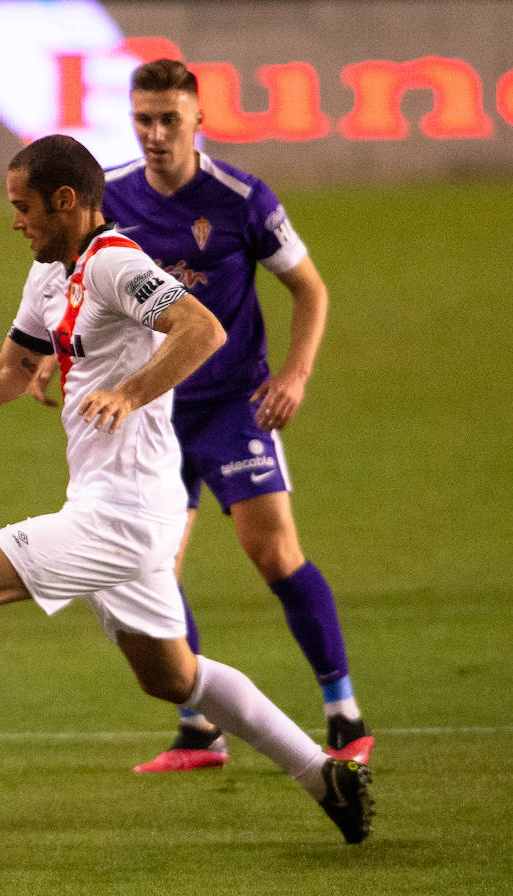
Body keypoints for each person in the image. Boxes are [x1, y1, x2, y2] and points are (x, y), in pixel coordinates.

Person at [0, 133, 373, 844]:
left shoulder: (114, 262)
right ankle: (325, 774)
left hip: (127, 511)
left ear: (65, 201)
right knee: (173, 678)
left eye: (24, 207)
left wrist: (130, 393)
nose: (16, 220)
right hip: (112, 506)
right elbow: (10, 371)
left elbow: (201, 329)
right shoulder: (51, 272)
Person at [94, 58, 371, 771]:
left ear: (198, 121)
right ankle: (199, 729)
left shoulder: (242, 199)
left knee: (273, 552)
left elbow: (309, 289)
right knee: (154, 572)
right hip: (152, 415)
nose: (155, 134)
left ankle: (344, 718)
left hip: (233, 407)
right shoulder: (113, 198)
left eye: (169, 120)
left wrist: (296, 376)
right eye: (143, 120)